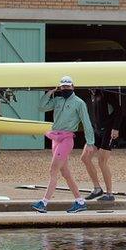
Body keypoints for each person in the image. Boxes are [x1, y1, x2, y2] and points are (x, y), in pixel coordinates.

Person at [32, 76, 95, 214]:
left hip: (67, 140)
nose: (65, 88)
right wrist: (50, 92)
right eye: (63, 86)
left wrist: (90, 142)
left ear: (73, 86)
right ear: (60, 87)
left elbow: (86, 122)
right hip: (55, 138)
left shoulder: (79, 103)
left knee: (53, 169)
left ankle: (44, 202)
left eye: (67, 86)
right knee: (66, 173)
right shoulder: (58, 100)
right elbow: (41, 107)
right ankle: (80, 202)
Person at [81, 88, 123, 202]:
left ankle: (109, 194)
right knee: (85, 158)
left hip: (108, 130)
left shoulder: (106, 93)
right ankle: (97, 189)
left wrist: (116, 128)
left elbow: (119, 110)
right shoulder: (92, 93)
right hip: (97, 130)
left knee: (102, 161)